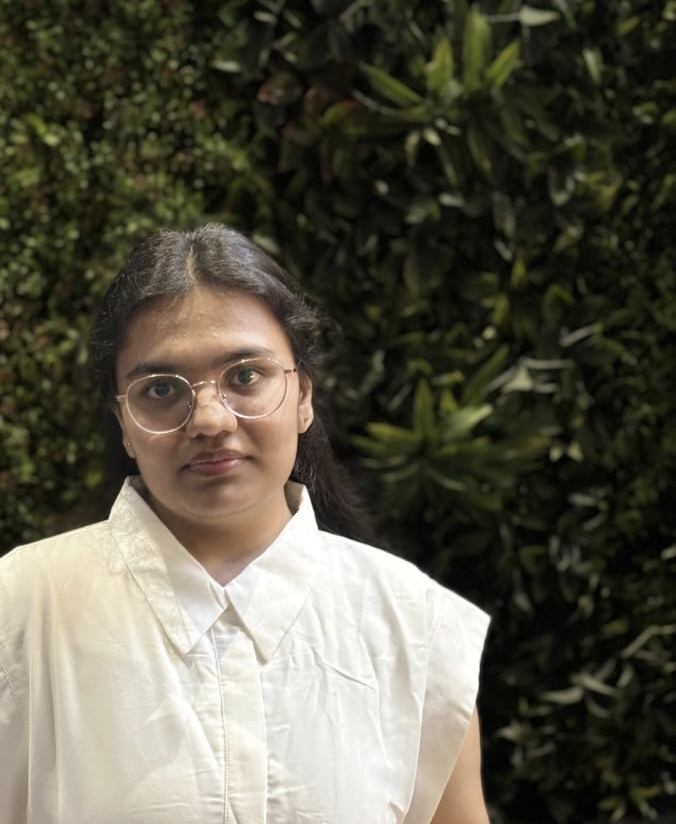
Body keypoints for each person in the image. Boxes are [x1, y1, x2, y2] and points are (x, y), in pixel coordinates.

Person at [0, 224, 491, 824]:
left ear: (303, 395)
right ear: (123, 423)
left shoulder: (417, 630)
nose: (209, 419)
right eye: (161, 388)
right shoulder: (20, 612)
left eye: (245, 376)